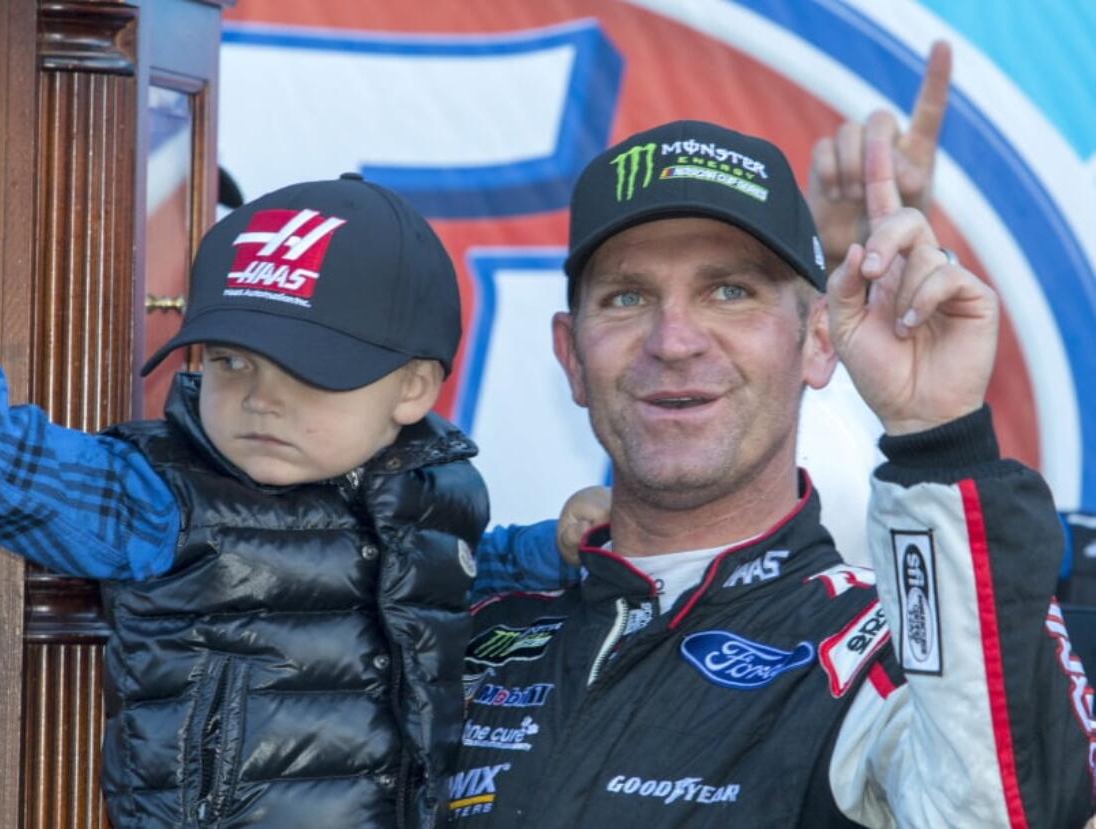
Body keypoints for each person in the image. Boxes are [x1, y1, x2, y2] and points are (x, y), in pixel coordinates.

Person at [0, 134, 559, 828]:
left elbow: (460, 568)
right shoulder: (164, 496)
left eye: (309, 368)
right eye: (232, 361)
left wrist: (553, 546)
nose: (261, 397)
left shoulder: (442, 491)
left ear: (412, 388)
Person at [447, 115, 1095, 826]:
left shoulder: (882, 649)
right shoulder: (467, 634)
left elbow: (994, 812)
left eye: (730, 291)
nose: (674, 341)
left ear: (819, 341)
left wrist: (938, 437)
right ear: (572, 357)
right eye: (627, 296)